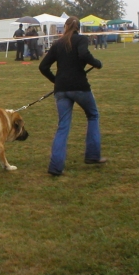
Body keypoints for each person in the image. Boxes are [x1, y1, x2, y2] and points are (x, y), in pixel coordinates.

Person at [38, 16, 105, 176]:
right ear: (78, 28)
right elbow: (83, 54)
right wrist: (97, 63)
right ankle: (93, 155)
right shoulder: (81, 40)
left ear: (66, 27)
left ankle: (55, 167)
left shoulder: (57, 43)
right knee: (93, 115)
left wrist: (56, 81)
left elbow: (43, 66)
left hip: (61, 90)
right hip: (79, 87)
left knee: (63, 126)